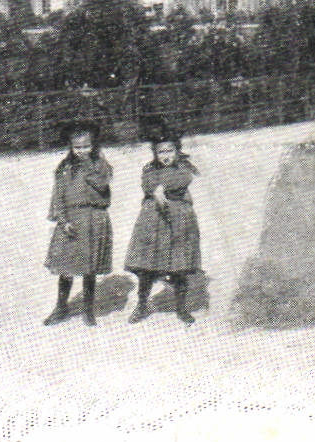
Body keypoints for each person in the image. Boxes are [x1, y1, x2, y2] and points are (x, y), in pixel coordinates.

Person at [124, 126, 202, 325]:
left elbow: (182, 179)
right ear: (155, 153)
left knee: (179, 266)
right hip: (153, 221)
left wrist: (161, 187)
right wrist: (155, 189)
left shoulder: (184, 168)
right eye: (161, 152)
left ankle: (181, 307)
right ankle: (142, 304)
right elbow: (147, 183)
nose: (165, 156)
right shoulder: (149, 169)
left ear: (177, 151)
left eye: (169, 151)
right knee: (147, 266)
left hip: (179, 221)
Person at [43, 121, 114, 327]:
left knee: (89, 268)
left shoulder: (100, 166)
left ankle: (88, 310)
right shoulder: (65, 168)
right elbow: (58, 196)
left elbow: (102, 184)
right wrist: (63, 220)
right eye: (77, 147)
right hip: (71, 221)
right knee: (66, 267)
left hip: (93, 220)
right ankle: (61, 307)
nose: (82, 151)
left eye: (86, 146)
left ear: (94, 145)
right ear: (71, 147)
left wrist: (92, 163)